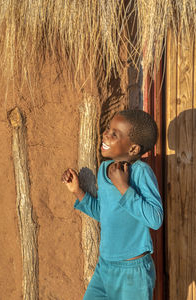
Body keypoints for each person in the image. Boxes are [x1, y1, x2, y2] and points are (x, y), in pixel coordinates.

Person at [62, 109, 163, 300]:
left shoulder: (141, 172)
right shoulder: (103, 169)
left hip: (133, 273)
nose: (106, 134)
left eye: (114, 134)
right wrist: (77, 191)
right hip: (105, 267)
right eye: (108, 129)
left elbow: (155, 219)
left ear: (133, 149)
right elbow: (104, 213)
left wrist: (124, 187)